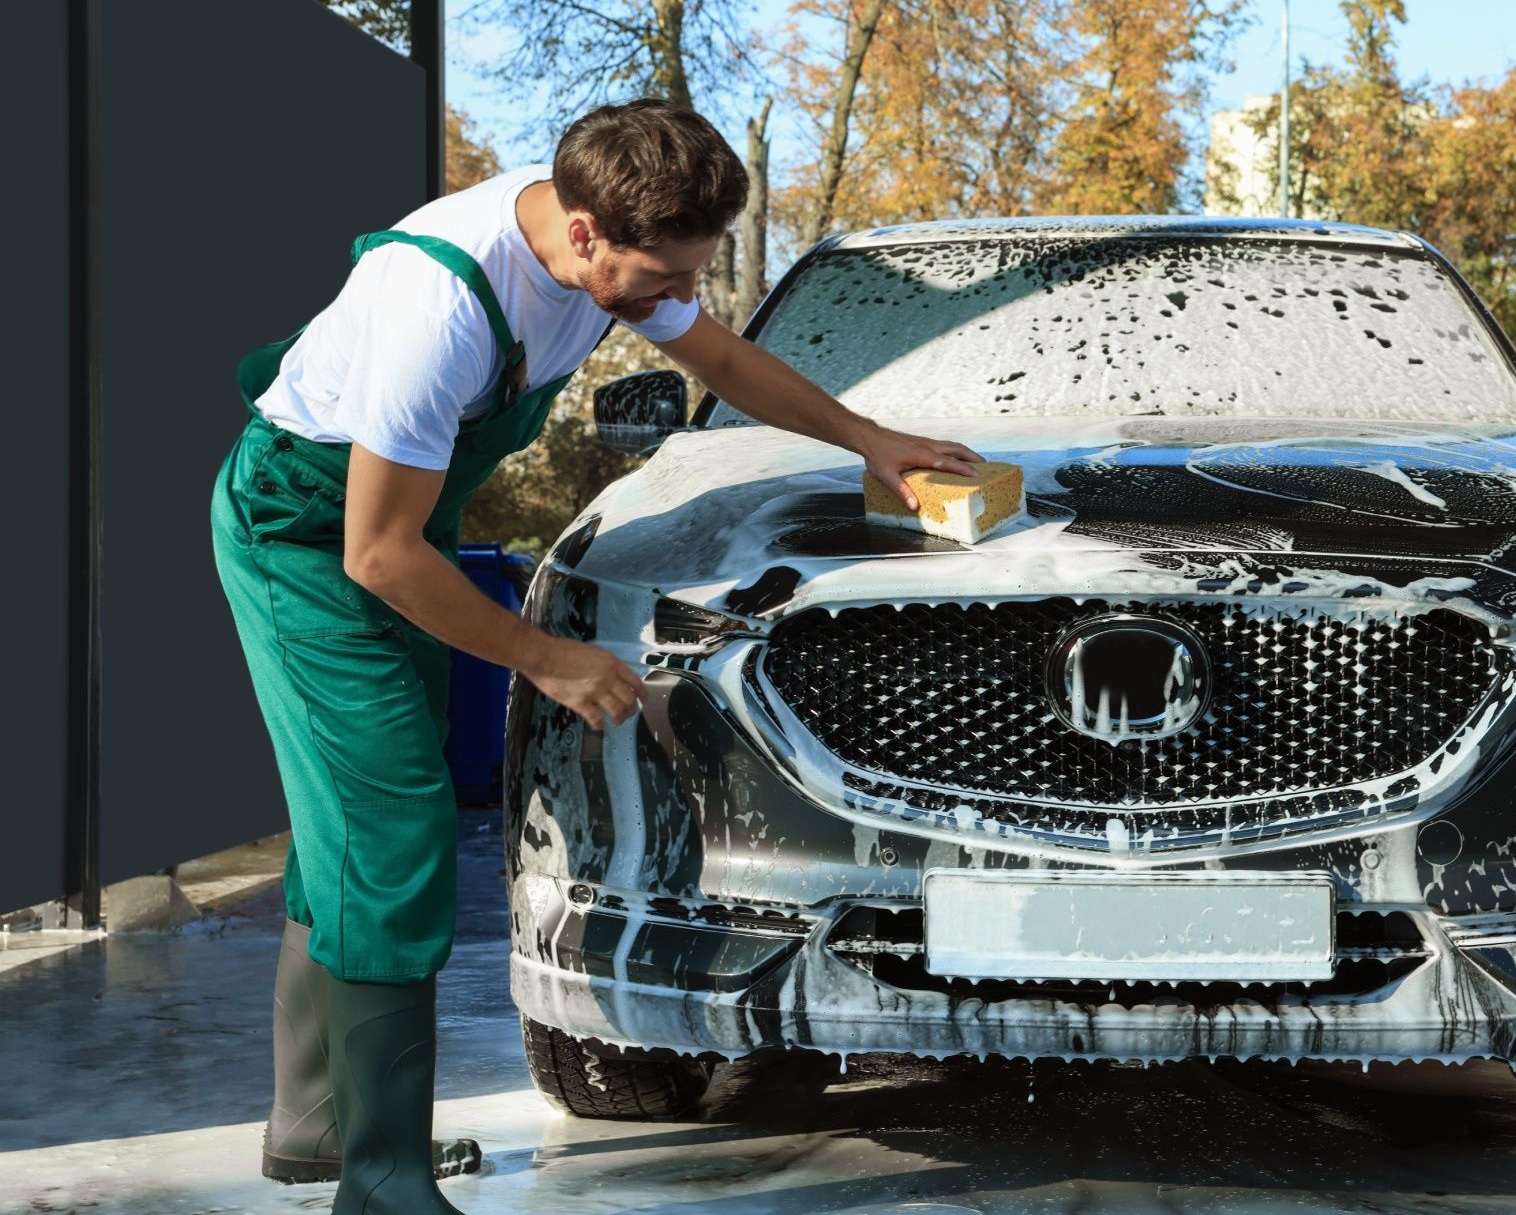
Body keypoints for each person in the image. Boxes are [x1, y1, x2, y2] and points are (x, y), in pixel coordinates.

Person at [210, 98, 982, 1214]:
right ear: (583, 236)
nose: (680, 300)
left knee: (354, 818)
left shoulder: (606, 236)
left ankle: (318, 1126)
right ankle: (381, 1186)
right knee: (391, 833)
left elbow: (721, 356)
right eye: (663, 279)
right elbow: (374, 554)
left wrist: (874, 440)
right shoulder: (437, 304)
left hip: (392, 539)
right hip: (306, 547)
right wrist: (544, 658)